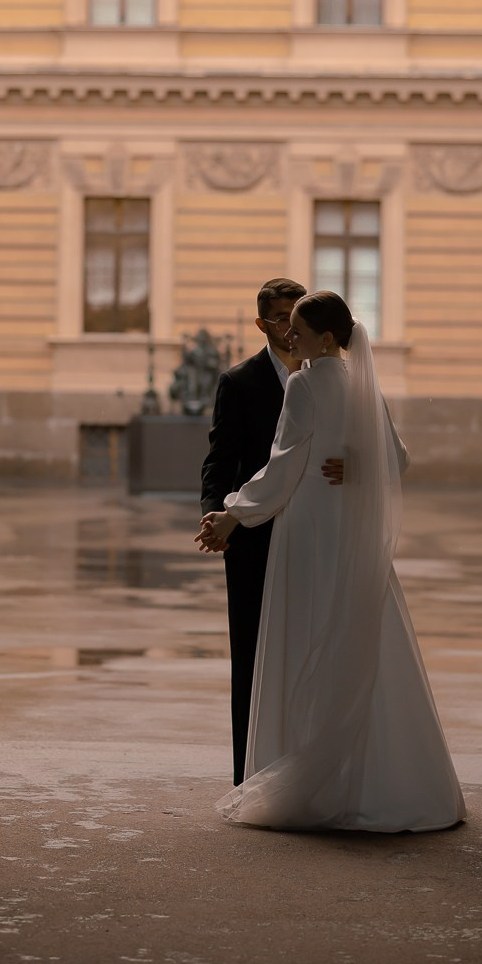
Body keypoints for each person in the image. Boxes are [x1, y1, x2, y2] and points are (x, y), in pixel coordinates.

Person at [196, 290, 465, 833]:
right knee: (358, 638)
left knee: (304, 639)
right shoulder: (365, 384)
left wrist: (232, 514)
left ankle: (306, 774)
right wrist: (359, 465)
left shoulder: (302, 382)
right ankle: (383, 780)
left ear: (323, 338)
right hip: (350, 531)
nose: (289, 337)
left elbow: (285, 467)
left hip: (308, 531)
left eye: (297, 329)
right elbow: (400, 457)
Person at [200, 278, 343, 788]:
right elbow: (220, 460)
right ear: (262, 324)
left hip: (317, 541)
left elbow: (379, 451)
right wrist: (218, 519)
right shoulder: (238, 382)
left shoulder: (335, 378)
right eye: (280, 318)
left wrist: (356, 467)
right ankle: (250, 776)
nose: (289, 327)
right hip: (253, 543)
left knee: (313, 655)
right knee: (253, 661)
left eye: (296, 315)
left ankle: (310, 768)